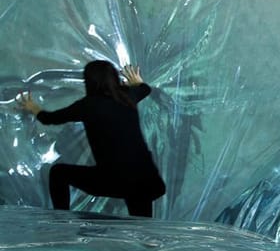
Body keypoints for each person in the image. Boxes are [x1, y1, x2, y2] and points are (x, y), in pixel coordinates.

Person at [15, 61, 166, 217]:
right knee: (141, 219)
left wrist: (33, 108)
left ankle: (61, 220)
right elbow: (145, 89)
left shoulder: (87, 106)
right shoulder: (127, 96)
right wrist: (137, 82)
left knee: (58, 173)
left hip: (114, 180)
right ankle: (146, 235)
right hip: (146, 180)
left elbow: (49, 118)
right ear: (115, 79)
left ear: (89, 82)